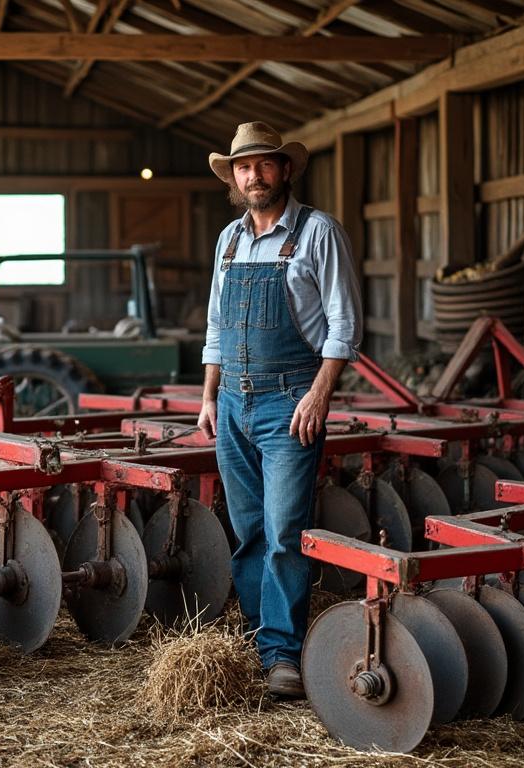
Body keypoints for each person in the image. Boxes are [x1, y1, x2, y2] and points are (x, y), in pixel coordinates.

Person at [197, 122, 363, 698]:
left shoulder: (318, 233)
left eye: (264, 164)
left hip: (291, 403)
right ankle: (253, 639)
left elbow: (344, 326)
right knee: (246, 532)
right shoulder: (229, 240)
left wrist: (319, 395)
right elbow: (218, 324)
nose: (254, 175)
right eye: (244, 167)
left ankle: (282, 657)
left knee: (284, 532)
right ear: (234, 177)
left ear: (285, 169)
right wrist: (208, 395)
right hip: (233, 403)